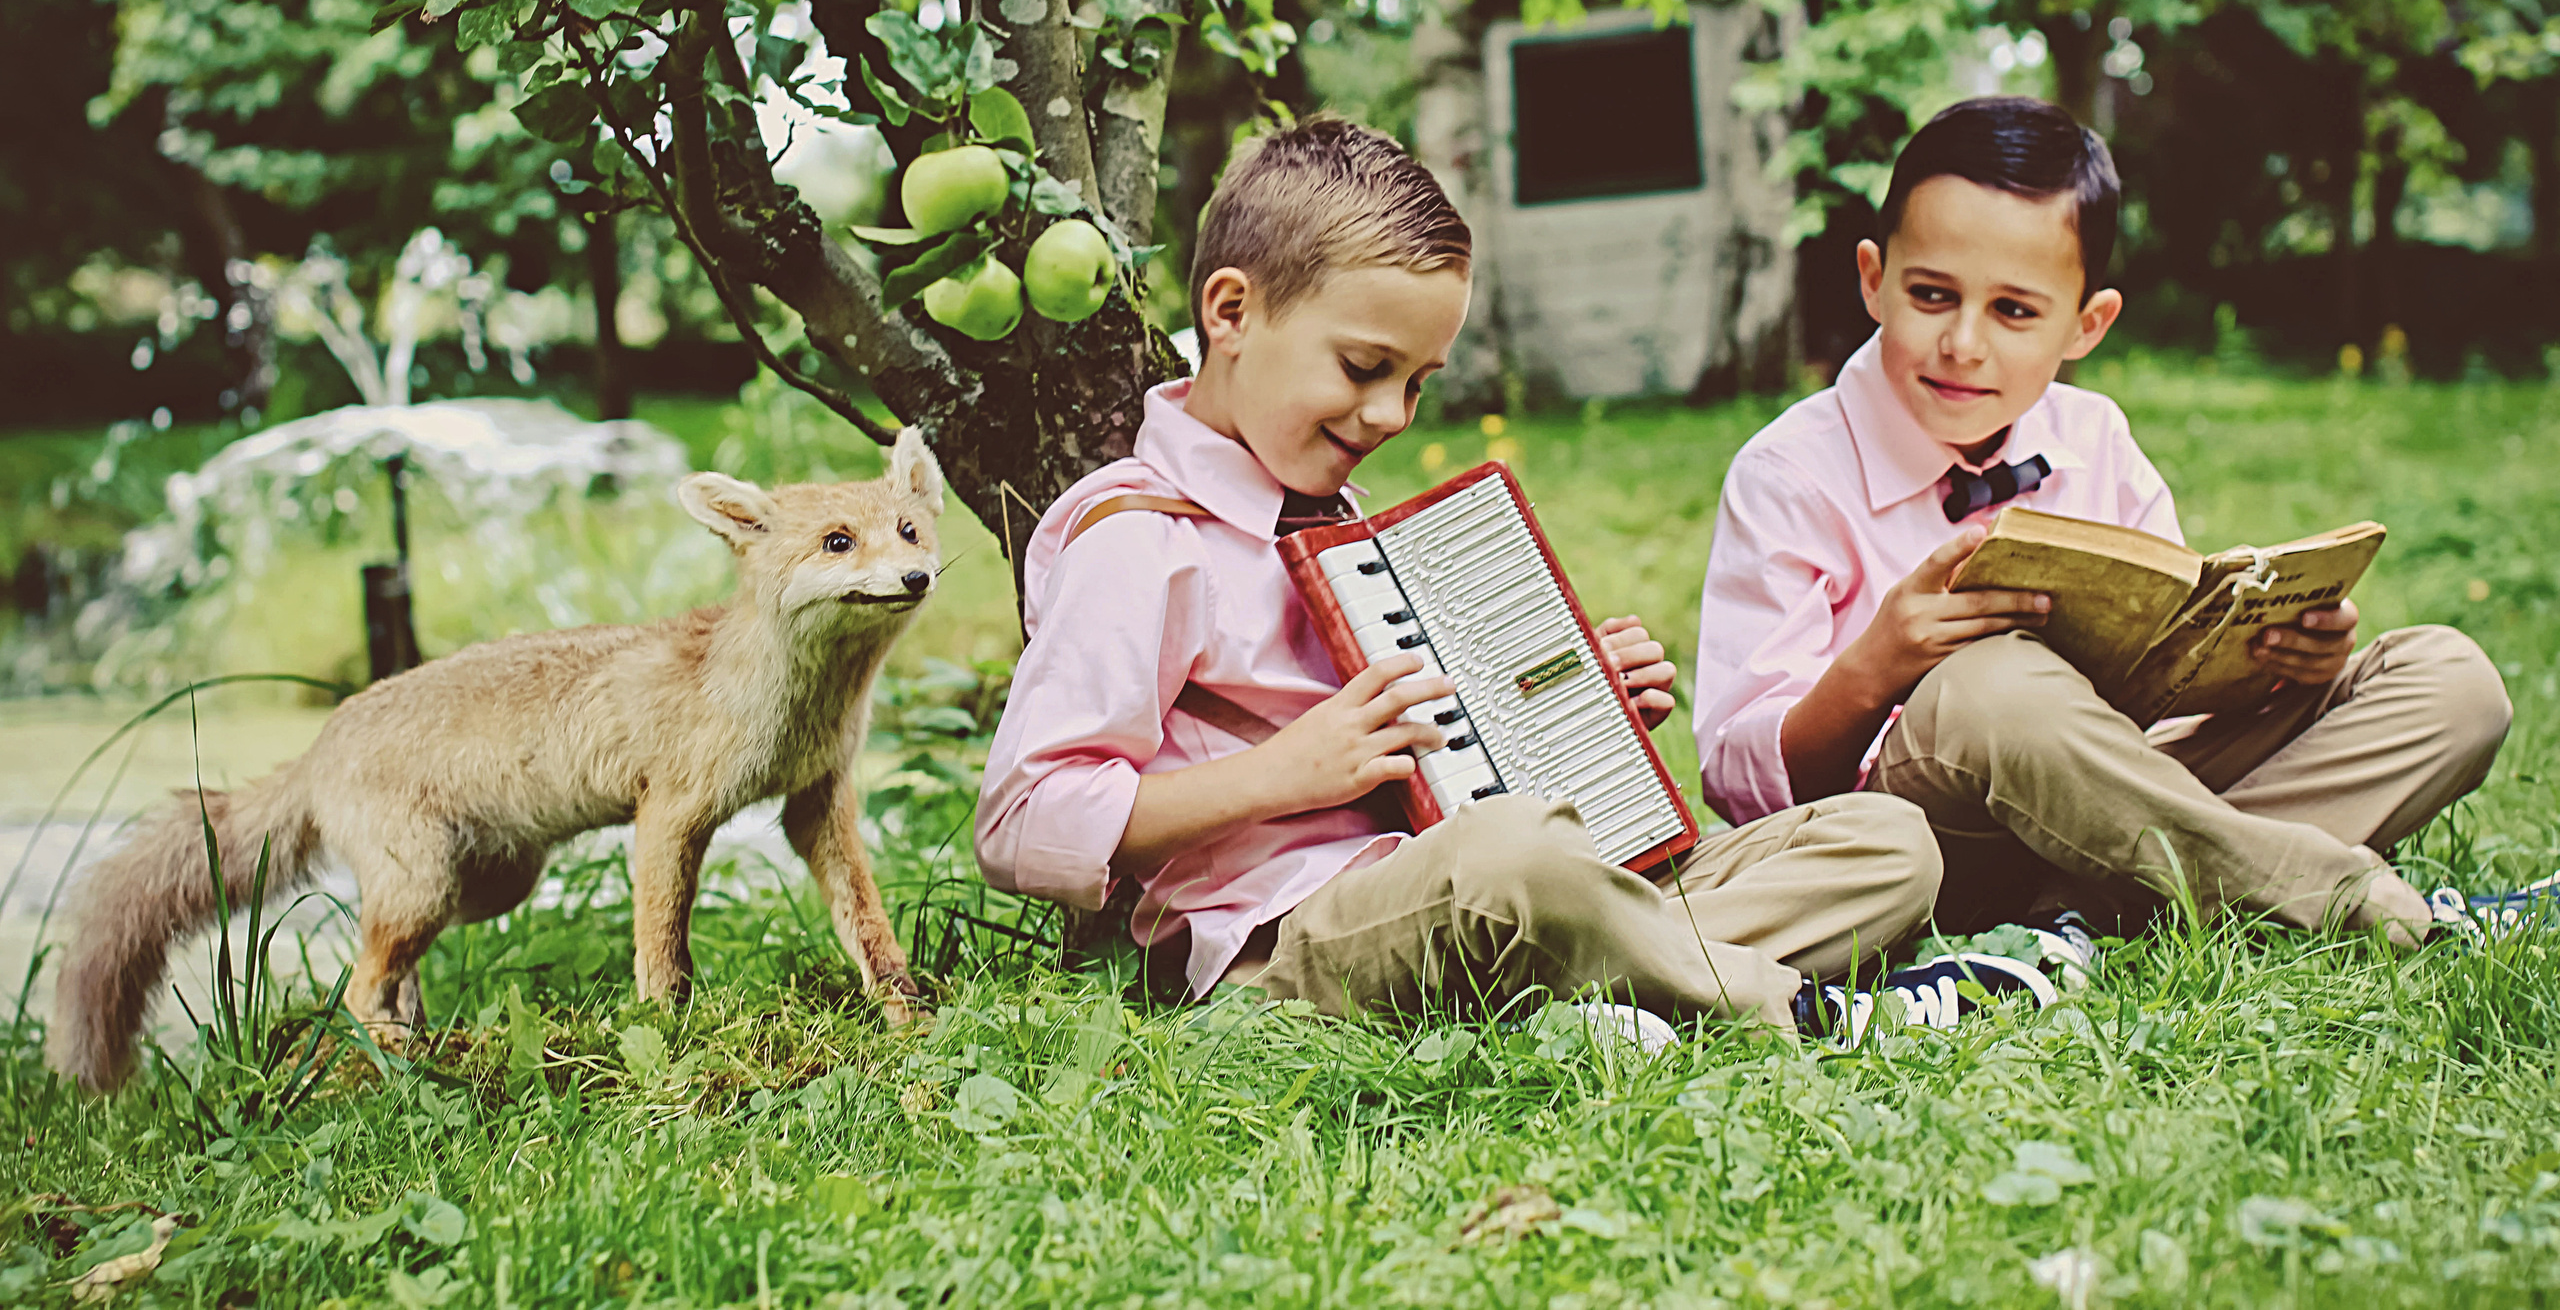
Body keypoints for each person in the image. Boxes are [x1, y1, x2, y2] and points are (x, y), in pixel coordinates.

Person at [976, 116, 2031, 1046]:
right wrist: (1285, 774)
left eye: (1418, 383)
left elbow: (1441, 767)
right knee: (1523, 860)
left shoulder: (1340, 521)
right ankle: (1797, 1008)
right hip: (1294, 939)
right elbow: (1024, 818)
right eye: (1361, 368)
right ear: (1230, 311)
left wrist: (1568, 706)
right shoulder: (1139, 536)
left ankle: (1599, 988)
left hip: (1471, 875)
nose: (1390, 417)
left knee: (1887, 840)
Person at [1691, 95, 2517, 946]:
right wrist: (1878, 664)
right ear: (1874, 279)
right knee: (1992, 683)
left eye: (2014, 311)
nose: (1964, 342)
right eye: (1933, 295)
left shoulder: (2096, 440)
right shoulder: (1788, 472)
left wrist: (2286, 662)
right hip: (1922, 843)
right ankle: (2315, 889)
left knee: (2452, 682)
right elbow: (1741, 783)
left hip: (2108, 796)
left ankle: (2089, 906)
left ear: (2088, 323)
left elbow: (2166, 697)